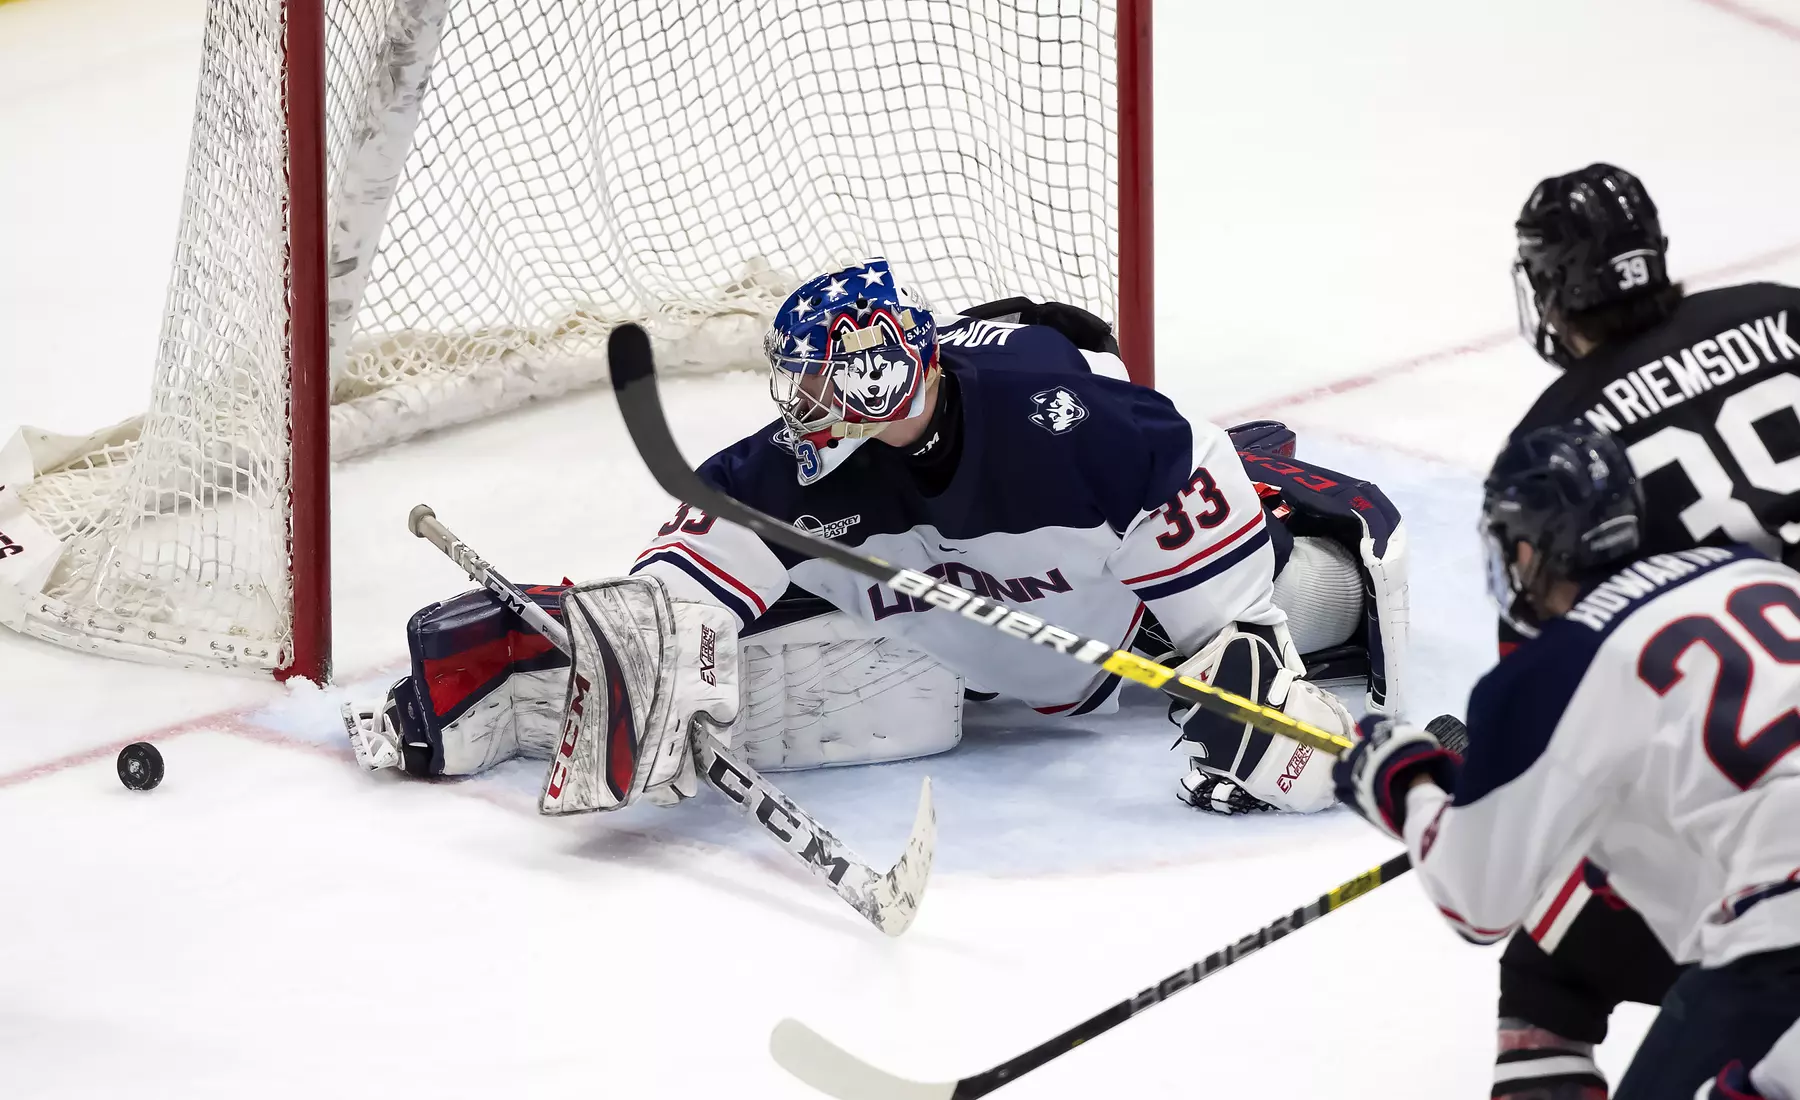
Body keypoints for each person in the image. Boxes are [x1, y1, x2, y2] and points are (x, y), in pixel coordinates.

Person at [345, 258, 1409, 818]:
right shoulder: (800, 467)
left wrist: (1245, 656)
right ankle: (480, 682)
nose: (799, 404)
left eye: (819, 380)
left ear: (874, 368)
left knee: (1322, 604)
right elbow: (692, 565)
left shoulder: (1060, 421)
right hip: (954, 641)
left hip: (1122, 619)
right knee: (815, 671)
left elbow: (1182, 465)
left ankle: (1301, 551)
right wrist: (663, 640)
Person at [1335, 423, 1800, 1100]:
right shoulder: (1754, 570)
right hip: (1763, 908)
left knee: (1547, 959)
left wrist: (1402, 780)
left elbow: (1476, 903)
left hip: (1780, 938)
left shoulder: (1555, 666)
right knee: (1551, 966)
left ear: (1528, 548)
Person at [1490, 163, 1800, 1099]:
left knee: (1543, 968)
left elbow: (1559, 718)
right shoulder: (1782, 311)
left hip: (1766, 815)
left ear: (1550, 286)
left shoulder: (1554, 446)